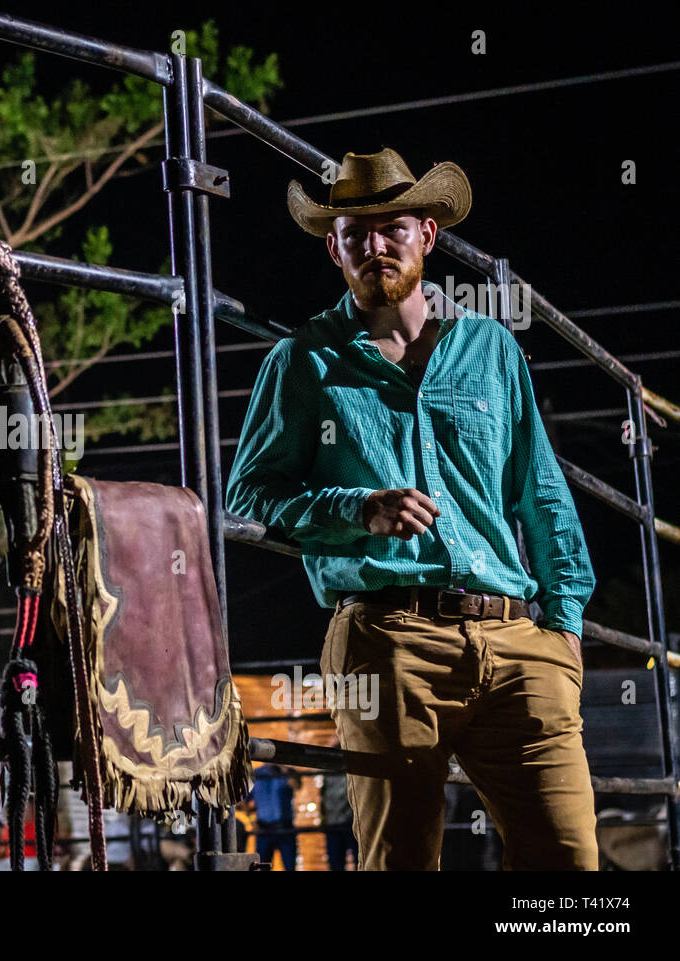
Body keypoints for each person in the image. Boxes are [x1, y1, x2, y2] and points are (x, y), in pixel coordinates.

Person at [226, 148, 596, 870]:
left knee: (568, 862)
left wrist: (567, 626)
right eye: (352, 233)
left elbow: (541, 490)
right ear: (333, 247)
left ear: (426, 233)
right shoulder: (303, 363)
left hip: (520, 641)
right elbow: (249, 494)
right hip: (387, 642)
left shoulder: (491, 348)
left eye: (390, 227)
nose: (373, 246)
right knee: (399, 860)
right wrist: (355, 507)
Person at [248, 763, 300, 870]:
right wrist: (251, 820)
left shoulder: (287, 772)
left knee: (290, 866)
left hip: (285, 827)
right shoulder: (256, 773)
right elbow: (245, 799)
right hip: (264, 827)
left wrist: (283, 768)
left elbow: (296, 785)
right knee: (263, 866)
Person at [319, 738, 358, 870]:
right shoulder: (327, 773)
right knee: (336, 863)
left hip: (349, 823)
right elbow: (323, 796)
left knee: (358, 860)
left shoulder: (350, 771)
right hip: (334, 823)